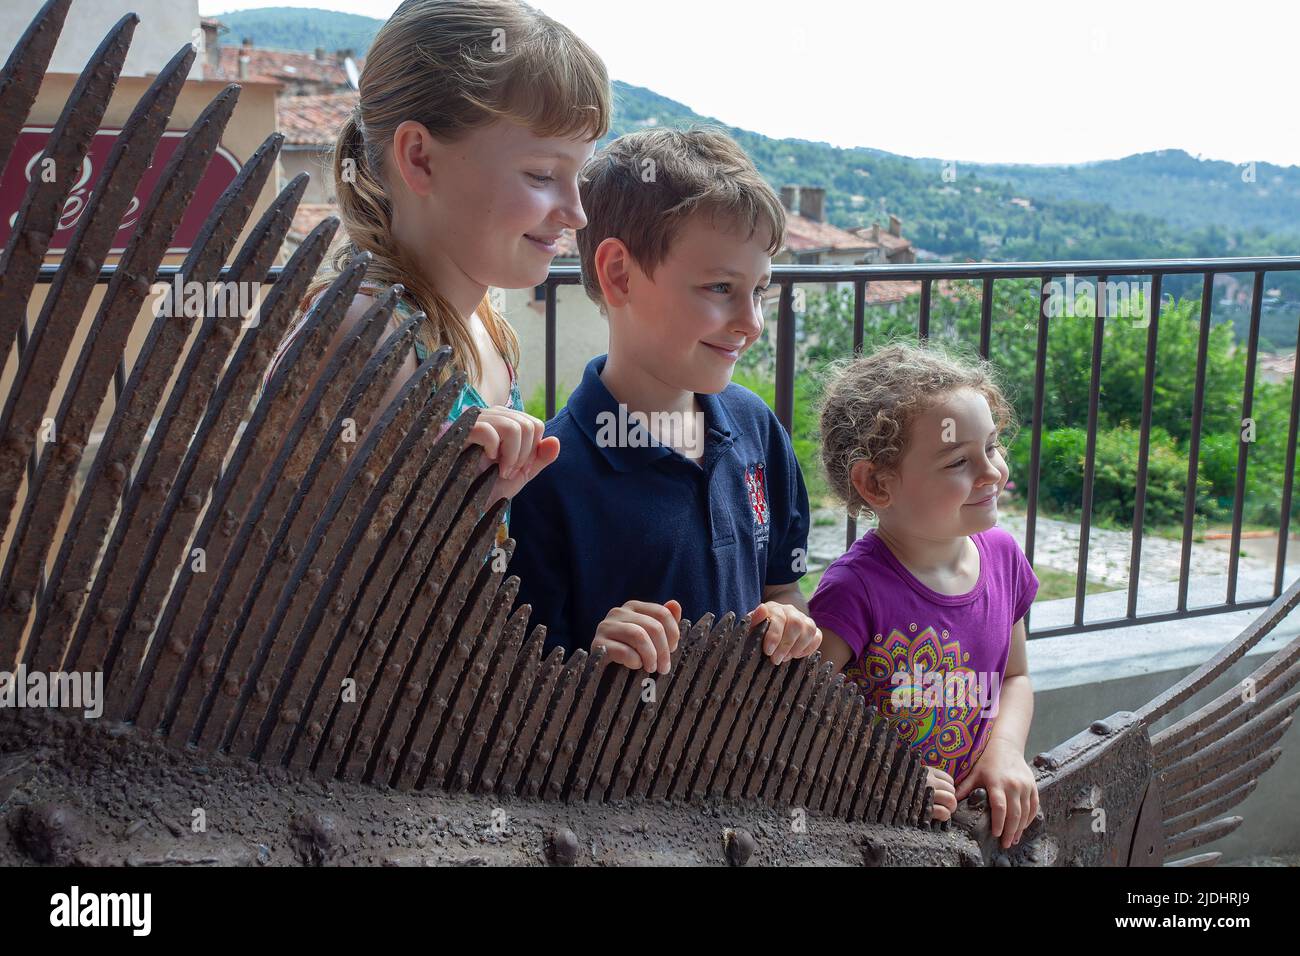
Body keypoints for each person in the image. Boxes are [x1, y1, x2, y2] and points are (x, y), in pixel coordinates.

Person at [263, 0, 613, 516]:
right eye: (541, 174)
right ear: (419, 158)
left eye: (578, 176)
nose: (576, 213)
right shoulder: (366, 334)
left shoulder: (486, 325)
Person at [507, 126, 822, 674]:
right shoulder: (548, 479)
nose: (751, 323)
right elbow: (533, 682)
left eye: (759, 292)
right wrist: (598, 656)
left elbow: (784, 589)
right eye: (720, 289)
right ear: (619, 274)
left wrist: (791, 622)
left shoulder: (757, 428)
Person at [809, 338, 1040, 848]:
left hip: (970, 828)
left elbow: (1016, 676)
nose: (992, 473)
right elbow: (802, 718)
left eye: (993, 446)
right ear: (875, 483)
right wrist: (883, 775)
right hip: (869, 833)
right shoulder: (853, 592)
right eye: (959, 461)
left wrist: (1004, 749)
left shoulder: (1003, 558)